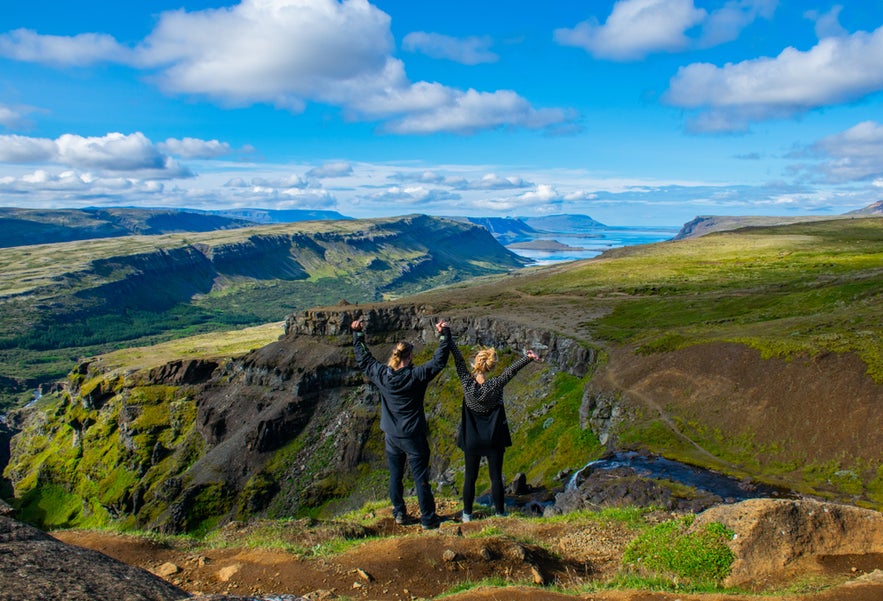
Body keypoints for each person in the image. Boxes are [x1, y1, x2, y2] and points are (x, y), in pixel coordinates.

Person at [351, 317, 451, 530]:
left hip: (391, 437)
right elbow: (439, 361)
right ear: (410, 356)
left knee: (395, 476)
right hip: (413, 437)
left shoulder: (382, 375)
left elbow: (364, 359)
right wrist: (444, 335)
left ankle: (399, 512)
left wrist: (357, 334)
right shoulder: (416, 376)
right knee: (420, 478)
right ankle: (428, 518)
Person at [449, 337, 540, 522]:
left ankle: (467, 515)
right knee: (496, 477)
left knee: (470, 477)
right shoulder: (495, 385)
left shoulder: (467, 384)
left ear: (475, 363)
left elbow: (458, 359)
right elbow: (510, 371)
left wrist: (447, 336)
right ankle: (500, 513)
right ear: (490, 366)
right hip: (493, 438)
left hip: (472, 439)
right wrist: (528, 358)